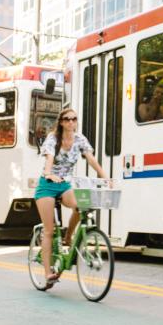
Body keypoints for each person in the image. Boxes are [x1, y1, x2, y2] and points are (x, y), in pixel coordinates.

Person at [34, 108, 108, 286]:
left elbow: (91, 159)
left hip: (65, 185)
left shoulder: (80, 139)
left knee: (81, 205)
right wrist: (48, 173)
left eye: (74, 119)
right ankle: (47, 273)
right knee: (50, 231)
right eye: (67, 119)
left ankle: (68, 237)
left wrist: (104, 177)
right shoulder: (53, 139)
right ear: (61, 122)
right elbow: (49, 158)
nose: (71, 122)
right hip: (47, 186)